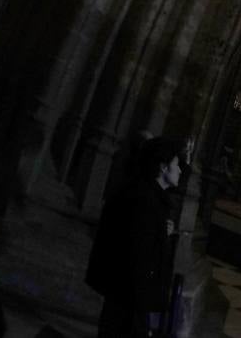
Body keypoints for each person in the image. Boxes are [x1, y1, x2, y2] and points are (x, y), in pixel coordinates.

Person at [86, 137, 184, 337]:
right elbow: (138, 254)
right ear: (163, 167)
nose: (180, 170)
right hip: (129, 300)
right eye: (176, 164)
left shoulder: (150, 197)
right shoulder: (144, 200)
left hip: (130, 300)